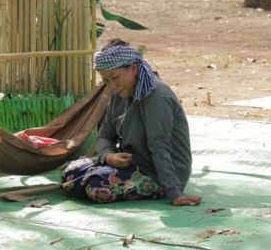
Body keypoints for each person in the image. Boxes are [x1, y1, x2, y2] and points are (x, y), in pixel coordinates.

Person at [61, 42, 201, 206]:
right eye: (106, 81)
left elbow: (159, 146)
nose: (112, 86)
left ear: (133, 68)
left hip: (158, 174)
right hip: (133, 165)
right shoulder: (119, 92)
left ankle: (164, 187)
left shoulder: (157, 96)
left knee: (96, 186)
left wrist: (174, 193)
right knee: (69, 170)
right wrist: (109, 156)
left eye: (115, 78)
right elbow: (105, 136)